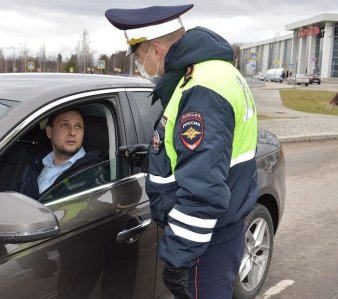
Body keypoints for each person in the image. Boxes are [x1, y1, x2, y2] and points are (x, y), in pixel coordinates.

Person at [105, 4, 258, 299]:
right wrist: (154, 156)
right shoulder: (217, 72)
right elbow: (201, 154)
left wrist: (178, 259)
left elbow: (204, 191)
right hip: (219, 230)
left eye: (139, 57)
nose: (141, 66)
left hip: (205, 241)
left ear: (157, 51)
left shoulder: (201, 88)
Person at [14, 108, 102, 200]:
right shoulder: (35, 163)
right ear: (49, 132)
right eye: (65, 125)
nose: (72, 133)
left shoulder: (96, 171)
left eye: (78, 126)